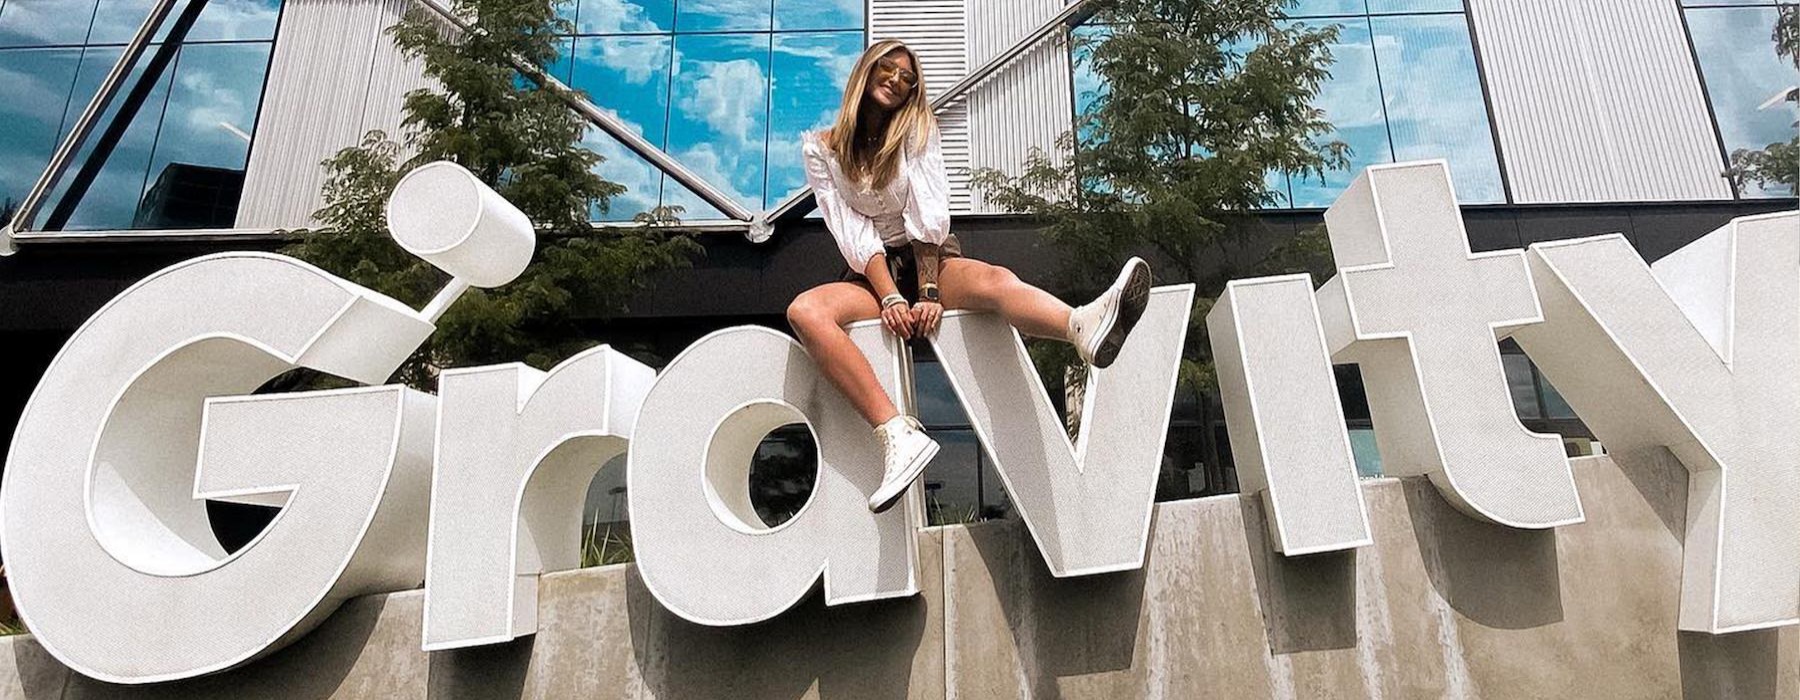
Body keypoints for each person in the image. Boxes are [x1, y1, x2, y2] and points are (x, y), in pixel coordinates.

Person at [787, 39, 1152, 514]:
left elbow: (928, 216)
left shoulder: (917, 129)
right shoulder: (823, 150)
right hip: (871, 273)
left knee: (995, 280)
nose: (897, 81)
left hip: (930, 258)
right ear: (866, 70)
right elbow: (852, 233)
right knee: (805, 311)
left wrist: (929, 290)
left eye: (907, 78)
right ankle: (898, 434)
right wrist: (892, 298)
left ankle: (1081, 327)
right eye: (889, 69)